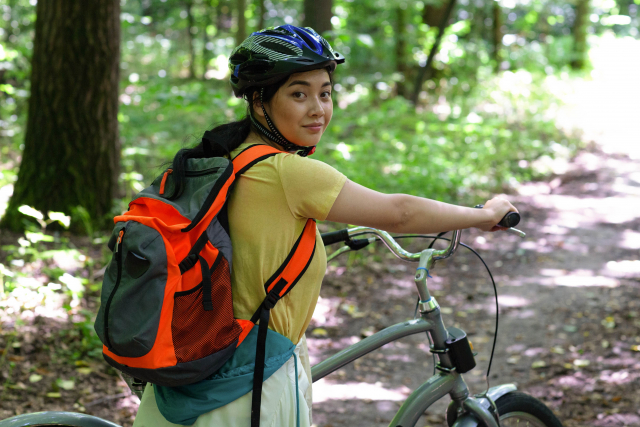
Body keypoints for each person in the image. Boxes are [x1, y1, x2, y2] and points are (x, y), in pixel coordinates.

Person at [132, 25, 517, 427]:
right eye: (299, 93)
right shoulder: (286, 172)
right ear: (260, 101)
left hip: (190, 377)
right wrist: (483, 213)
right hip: (251, 388)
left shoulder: (221, 157)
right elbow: (400, 213)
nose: (318, 108)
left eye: (325, 92)